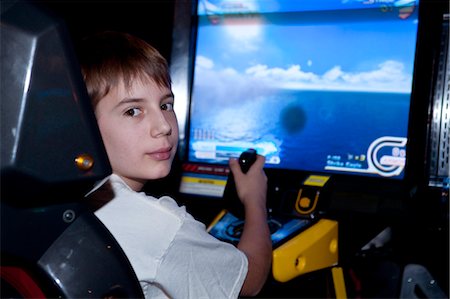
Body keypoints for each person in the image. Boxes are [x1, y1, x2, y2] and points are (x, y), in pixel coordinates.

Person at [79, 31, 272, 298]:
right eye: (133, 110)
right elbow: (249, 280)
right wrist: (255, 200)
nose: (163, 126)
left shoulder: (71, 200)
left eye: (166, 104)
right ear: (84, 126)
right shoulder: (159, 226)